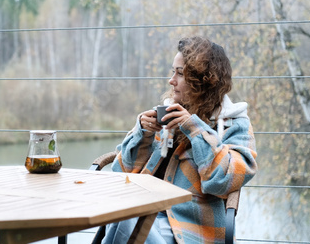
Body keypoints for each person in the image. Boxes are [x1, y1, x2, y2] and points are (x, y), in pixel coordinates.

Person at [102, 36, 258, 244]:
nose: (171, 80)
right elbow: (119, 173)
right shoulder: (166, 113)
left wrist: (194, 129)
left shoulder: (234, 124)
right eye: (172, 71)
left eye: (180, 73)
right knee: (125, 215)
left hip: (189, 229)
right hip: (146, 214)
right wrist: (142, 133)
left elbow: (224, 182)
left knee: (128, 219)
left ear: (202, 81)